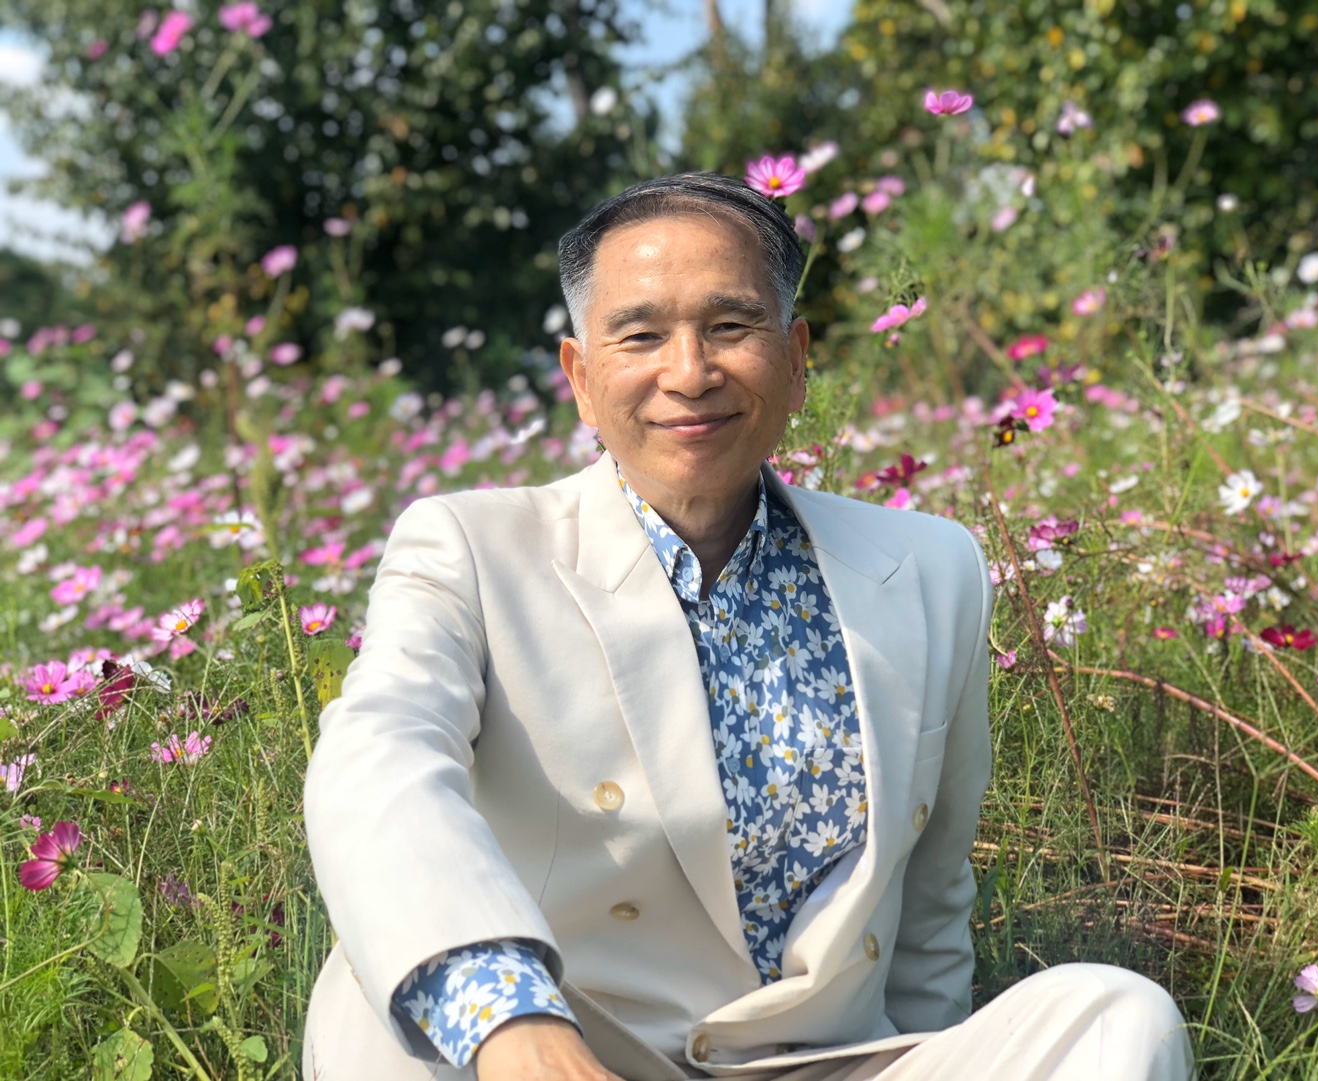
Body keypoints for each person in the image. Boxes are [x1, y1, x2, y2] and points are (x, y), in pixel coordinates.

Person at [301, 172, 1193, 1081]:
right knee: (391, 1005)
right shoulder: (471, 548)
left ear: (796, 359)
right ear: (581, 378)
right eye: (641, 335)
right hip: (572, 1049)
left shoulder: (931, 567)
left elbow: (930, 913)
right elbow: (378, 759)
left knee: (1119, 1016)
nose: (689, 373)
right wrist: (514, 1026)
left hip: (824, 1062)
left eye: (730, 326)